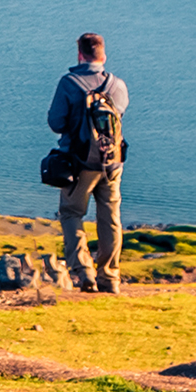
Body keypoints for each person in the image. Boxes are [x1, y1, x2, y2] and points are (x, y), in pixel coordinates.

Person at [42, 32, 132, 292]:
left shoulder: (69, 83)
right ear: (103, 55)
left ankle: (84, 273)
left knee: (71, 213)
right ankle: (110, 277)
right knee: (111, 218)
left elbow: (56, 123)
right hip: (112, 163)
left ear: (80, 54)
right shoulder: (117, 85)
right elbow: (120, 113)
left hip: (79, 162)